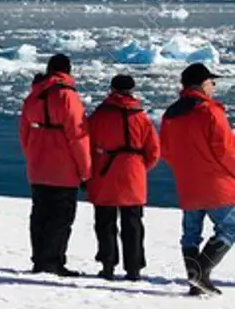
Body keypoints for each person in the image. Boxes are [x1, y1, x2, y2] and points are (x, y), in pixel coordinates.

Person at [161, 63, 235, 295]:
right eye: (212, 82)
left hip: (187, 183)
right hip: (216, 182)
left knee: (191, 233)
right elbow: (225, 149)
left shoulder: (171, 114)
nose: (213, 86)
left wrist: (185, 169)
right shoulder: (210, 111)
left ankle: (195, 282)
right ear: (203, 84)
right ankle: (201, 273)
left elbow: (166, 150)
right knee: (230, 228)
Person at [19, 53, 90, 277]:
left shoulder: (33, 96)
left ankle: (39, 259)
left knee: (39, 214)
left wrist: (33, 157)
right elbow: (78, 136)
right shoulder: (68, 96)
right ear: (68, 71)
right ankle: (53, 261)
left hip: (38, 168)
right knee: (60, 217)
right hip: (64, 170)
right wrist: (85, 170)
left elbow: (24, 134)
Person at [86, 74, 160, 281]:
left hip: (105, 174)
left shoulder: (99, 116)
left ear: (112, 89)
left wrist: (88, 172)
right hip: (133, 174)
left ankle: (108, 265)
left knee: (105, 222)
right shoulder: (142, 118)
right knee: (133, 223)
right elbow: (154, 151)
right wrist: (140, 167)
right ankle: (134, 268)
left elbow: (87, 146)